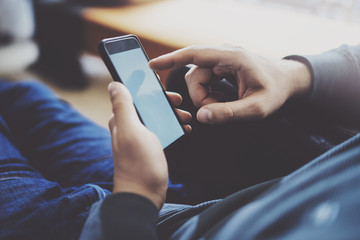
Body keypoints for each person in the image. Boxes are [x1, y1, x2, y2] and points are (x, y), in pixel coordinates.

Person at [0, 43, 358, 240]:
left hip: (135, 222)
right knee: (24, 95)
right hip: (212, 198)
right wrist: (298, 74)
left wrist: (135, 198)